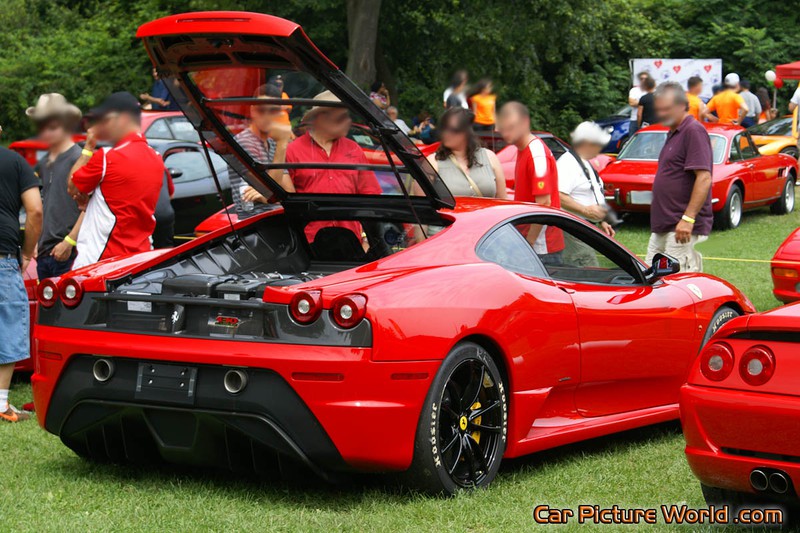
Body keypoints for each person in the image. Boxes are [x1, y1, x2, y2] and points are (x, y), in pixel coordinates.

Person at [67, 92, 165, 269]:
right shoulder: (157, 158)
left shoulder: (107, 157)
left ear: (121, 119)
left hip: (101, 261)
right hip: (141, 259)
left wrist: (88, 147)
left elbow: (73, 186)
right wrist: (96, 202)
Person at [285, 90, 382, 242]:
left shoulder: (354, 149)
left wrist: (366, 237)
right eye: (340, 117)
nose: (346, 121)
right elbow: (285, 200)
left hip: (352, 241)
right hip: (308, 242)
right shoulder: (292, 151)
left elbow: (371, 196)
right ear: (320, 118)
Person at [646, 82, 713, 273]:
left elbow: (704, 178)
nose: (662, 114)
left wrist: (688, 219)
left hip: (681, 226)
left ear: (683, 105)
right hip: (664, 224)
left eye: (666, 109)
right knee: (652, 277)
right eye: (659, 109)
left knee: (679, 284)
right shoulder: (674, 132)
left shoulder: (693, 130)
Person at [0, 133, 42, 422]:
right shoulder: (15, 162)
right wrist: (27, 252)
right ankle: (1, 404)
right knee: (9, 326)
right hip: (2, 256)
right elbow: (35, 210)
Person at [497, 101, 563, 264]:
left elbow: (544, 203)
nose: (503, 131)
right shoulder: (522, 150)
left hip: (541, 248)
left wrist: (529, 243)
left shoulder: (536, 154)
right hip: (532, 245)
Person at [25, 93, 83, 278]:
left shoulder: (79, 159)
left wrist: (69, 242)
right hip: (45, 253)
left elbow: (91, 207)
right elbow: (43, 205)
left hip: (68, 254)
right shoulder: (45, 162)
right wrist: (35, 242)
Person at [230, 84, 293, 219]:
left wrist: (268, 194)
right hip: (255, 222)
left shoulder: (272, 143)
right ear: (252, 110)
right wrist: (282, 143)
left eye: (273, 110)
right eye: (261, 110)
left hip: (278, 218)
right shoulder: (244, 142)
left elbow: (289, 192)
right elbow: (272, 194)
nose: (266, 115)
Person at [557, 121, 616, 252]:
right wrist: (586, 211)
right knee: (586, 267)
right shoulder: (568, 163)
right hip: (574, 231)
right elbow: (558, 195)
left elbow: (590, 194)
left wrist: (602, 221)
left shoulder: (584, 162)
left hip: (586, 229)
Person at [426, 107, 507, 198]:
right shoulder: (432, 162)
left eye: (453, 129)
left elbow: (503, 202)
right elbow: (422, 207)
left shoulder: (490, 157)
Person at [152, 170, 175, 249]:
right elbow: (171, 194)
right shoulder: (162, 167)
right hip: (166, 214)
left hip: (148, 215)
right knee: (167, 248)